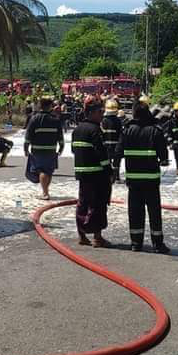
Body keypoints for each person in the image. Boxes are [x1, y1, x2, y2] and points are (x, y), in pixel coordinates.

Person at [116, 96, 170, 253]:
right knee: (154, 212)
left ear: (134, 114)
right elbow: (164, 157)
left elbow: (118, 153)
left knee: (135, 212)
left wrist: (114, 172)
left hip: (133, 180)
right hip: (151, 181)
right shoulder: (155, 131)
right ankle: (158, 244)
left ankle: (136, 243)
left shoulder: (127, 131)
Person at [71, 98, 112, 247]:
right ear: (93, 113)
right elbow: (101, 154)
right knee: (98, 204)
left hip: (82, 174)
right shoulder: (95, 130)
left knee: (82, 203)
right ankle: (97, 237)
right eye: (100, 112)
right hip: (97, 174)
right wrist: (109, 171)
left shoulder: (77, 130)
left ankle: (82, 235)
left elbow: (73, 150)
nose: (102, 115)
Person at [24, 97, 64, 200]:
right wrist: (61, 148)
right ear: (50, 106)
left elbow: (28, 135)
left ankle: (45, 193)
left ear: (40, 106)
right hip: (51, 149)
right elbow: (60, 137)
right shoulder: (55, 120)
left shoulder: (34, 119)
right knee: (49, 171)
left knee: (42, 171)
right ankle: (45, 191)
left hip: (37, 150)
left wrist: (26, 148)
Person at [101, 98, 124, 182]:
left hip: (106, 146)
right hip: (116, 146)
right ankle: (116, 177)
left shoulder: (103, 120)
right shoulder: (118, 121)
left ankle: (108, 177)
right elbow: (121, 134)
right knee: (117, 163)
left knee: (107, 162)